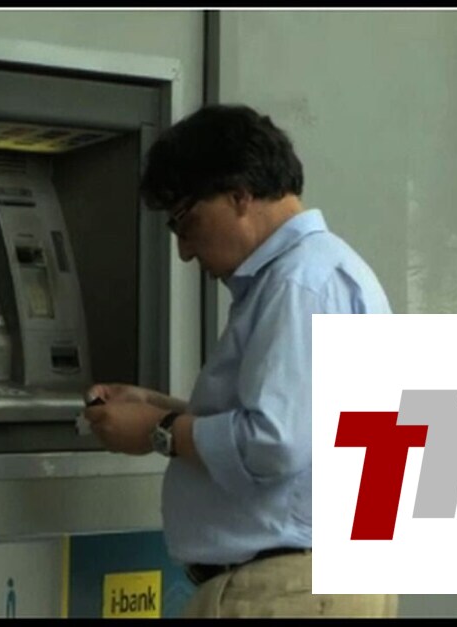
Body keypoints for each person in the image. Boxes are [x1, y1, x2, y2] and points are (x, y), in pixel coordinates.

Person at [82, 104, 397, 618]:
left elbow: (275, 442)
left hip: (285, 589)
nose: (185, 251)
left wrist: (160, 431)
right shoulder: (325, 272)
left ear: (239, 195)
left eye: (185, 222)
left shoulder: (299, 283)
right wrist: (157, 406)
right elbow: (296, 429)